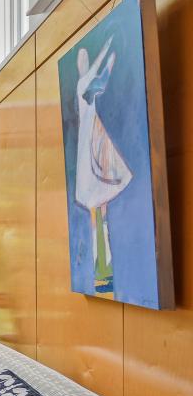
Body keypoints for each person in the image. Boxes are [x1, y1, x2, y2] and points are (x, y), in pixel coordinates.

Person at [73, 36, 131, 294]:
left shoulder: (87, 88)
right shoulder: (82, 84)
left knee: (100, 214)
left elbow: (99, 76)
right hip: (90, 152)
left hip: (92, 149)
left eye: (85, 57)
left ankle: (103, 269)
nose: (84, 60)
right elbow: (96, 71)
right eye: (82, 58)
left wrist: (109, 56)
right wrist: (107, 47)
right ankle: (102, 268)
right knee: (99, 213)